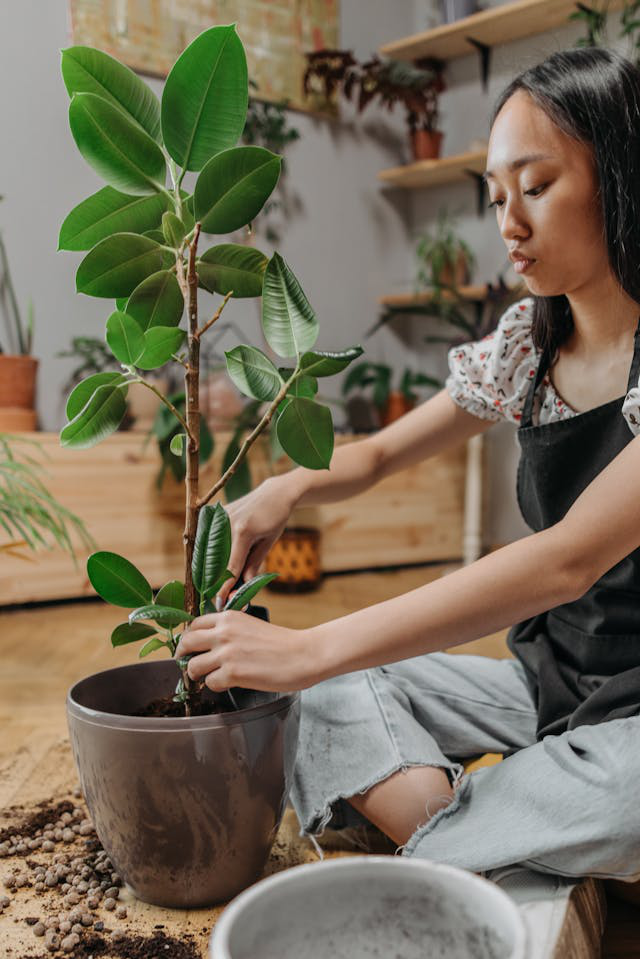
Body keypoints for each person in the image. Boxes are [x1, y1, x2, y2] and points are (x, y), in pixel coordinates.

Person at [176, 47, 640, 881]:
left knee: (626, 796)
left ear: (622, 175)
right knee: (327, 688)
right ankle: (483, 837)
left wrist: (312, 643)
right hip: (550, 691)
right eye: (497, 197)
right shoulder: (526, 347)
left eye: (536, 187)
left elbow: (568, 560)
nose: (509, 222)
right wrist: (284, 488)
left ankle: (447, 834)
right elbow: (385, 452)